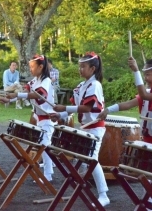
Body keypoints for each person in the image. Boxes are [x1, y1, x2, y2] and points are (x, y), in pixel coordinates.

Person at [52, 52, 110, 207]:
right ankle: (84, 184)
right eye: (80, 66)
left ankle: (103, 195)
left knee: (92, 160)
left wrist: (64, 107)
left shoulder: (95, 85)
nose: (80, 69)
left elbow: (86, 108)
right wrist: (59, 115)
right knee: (82, 159)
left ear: (92, 68)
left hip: (96, 128)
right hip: (86, 128)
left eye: (83, 67)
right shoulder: (81, 86)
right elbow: (74, 109)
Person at [0, 54, 58, 182]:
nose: (30, 69)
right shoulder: (34, 81)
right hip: (40, 117)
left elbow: (39, 95)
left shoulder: (46, 81)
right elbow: (26, 93)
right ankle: (49, 171)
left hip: (48, 118)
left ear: (41, 67)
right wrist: (9, 99)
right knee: (43, 145)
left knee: (44, 145)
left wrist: (15, 95)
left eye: (32, 66)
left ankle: (48, 175)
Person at [98, 56, 152, 147]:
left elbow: (143, 95)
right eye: (144, 75)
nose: (145, 78)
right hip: (147, 143)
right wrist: (108, 110)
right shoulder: (150, 93)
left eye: (148, 74)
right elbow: (128, 104)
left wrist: (136, 71)